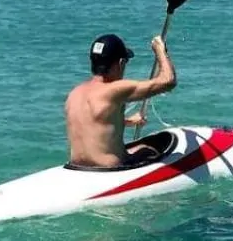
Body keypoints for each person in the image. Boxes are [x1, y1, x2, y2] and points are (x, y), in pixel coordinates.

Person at [63, 32, 178, 169]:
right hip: (109, 169)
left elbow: (93, 121)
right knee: (148, 149)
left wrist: (128, 122)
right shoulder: (115, 90)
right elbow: (168, 81)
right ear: (120, 62)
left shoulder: (75, 94)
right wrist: (160, 50)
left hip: (77, 166)